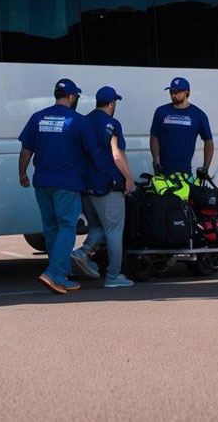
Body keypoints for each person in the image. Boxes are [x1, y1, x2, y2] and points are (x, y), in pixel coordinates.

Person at [18, 78, 97, 294]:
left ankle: (59, 276)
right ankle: (54, 273)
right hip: (67, 183)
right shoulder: (78, 121)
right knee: (67, 226)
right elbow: (92, 151)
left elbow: (26, 150)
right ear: (72, 97)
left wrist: (22, 173)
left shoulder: (38, 117)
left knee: (51, 227)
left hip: (42, 182)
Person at [70, 86, 135, 288]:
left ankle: (82, 253)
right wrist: (128, 177)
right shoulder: (112, 124)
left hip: (86, 187)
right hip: (108, 186)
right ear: (112, 103)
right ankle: (114, 276)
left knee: (98, 226)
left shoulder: (84, 121)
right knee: (114, 231)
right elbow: (117, 155)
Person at [150, 76, 214, 179]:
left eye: (177, 92)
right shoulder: (161, 112)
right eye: (171, 92)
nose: (173, 95)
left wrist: (205, 167)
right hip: (162, 174)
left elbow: (208, 141)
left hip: (186, 174)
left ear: (187, 92)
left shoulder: (199, 115)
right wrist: (156, 160)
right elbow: (154, 137)